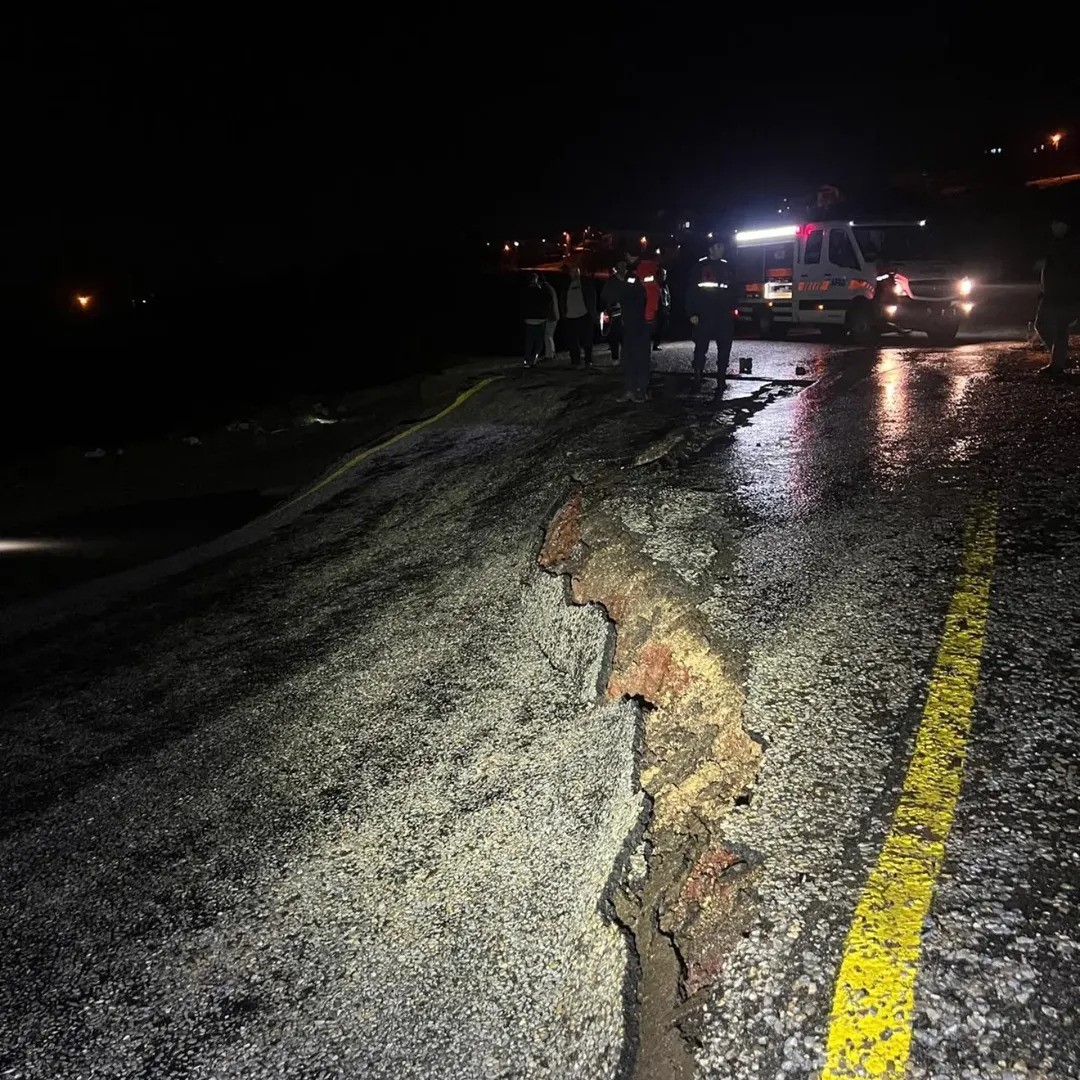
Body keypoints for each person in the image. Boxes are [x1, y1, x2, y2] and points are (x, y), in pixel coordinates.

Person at [686, 236, 735, 395]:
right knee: (701, 347)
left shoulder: (727, 267)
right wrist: (692, 312)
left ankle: (721, 378)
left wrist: (733, 307)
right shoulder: (700, 266)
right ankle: (697, 377)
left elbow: (733, 289)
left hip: (723, 314)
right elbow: (691, 291)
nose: (722, 249)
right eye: (719, 246)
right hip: (705, 313)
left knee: (725, 347)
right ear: (711, 249)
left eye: (722, 246)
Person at [603, 250, 652, 402]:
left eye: (627, 257)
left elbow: (647, 295)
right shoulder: (631, 274)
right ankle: (630, 389)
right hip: (630, 322)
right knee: (628, 356)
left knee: (641, 357)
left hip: (642, 322)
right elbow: (621, 294)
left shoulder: (644, 270)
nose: (626, 260)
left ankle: (642, 390)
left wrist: (648, 318)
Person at [1035, 220, 1080, 376]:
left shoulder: (1070, 245)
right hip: (1053, 293)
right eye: (1053, 224)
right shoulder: (1057, 242)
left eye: (1058, 224)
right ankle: (1059, 359)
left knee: (1058, 327)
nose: (1054, 227)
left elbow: (1067, 270)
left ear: (1066, 226)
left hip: (1065, 294)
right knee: (1047, 326)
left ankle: (1058, 363)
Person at [560, 265, 598, 367]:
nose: (575, 274)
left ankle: (588, 361)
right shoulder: (566, 285)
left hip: (584, 315)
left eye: (577, 271)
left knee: (587, 341)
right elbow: (562, 299)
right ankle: (575, 361)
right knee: (572, 342)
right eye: (573, 272)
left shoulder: (586, 283)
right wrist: (563, 313)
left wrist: (593, 314)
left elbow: (592, 298)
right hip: (570, 317)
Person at [521, 272, 549, 367]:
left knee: (529, 342)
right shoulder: (539, 290)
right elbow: (547, 299)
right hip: (539, 319)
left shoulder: (525, 291)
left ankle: (526, 360)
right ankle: (534, 359)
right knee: (539, 343)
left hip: (529, 319)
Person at [540, 274, 560, 361]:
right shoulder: (550, 288)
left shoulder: (546, 289)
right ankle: (552, 352)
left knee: (547, 335)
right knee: (550, 335)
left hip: (551, 315)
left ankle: (549, 355)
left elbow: (547, 303)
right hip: (555, 314)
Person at [652, 267, 671, 351]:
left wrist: (668, 306)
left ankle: (657, 343)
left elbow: (668, 296)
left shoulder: (665, 285)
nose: (664, 276)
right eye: (663, 275)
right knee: (657, 327)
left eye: (665, 275)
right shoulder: (654, 285)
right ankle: (655, 344)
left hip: (664, 309)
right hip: (657, 309)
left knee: (662, 326)